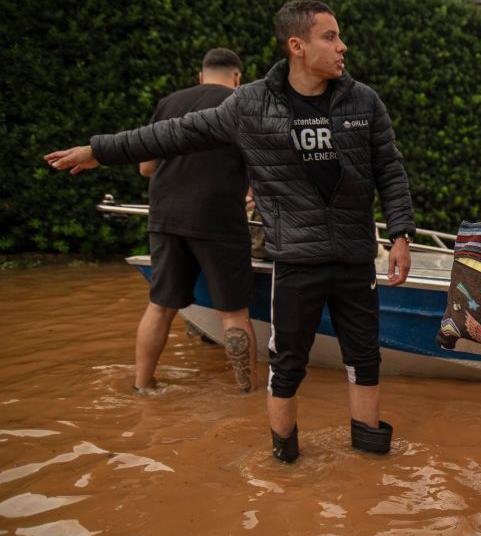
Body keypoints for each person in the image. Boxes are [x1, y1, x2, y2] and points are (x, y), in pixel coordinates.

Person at [44, 0, 416, 461]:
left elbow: (391, 171)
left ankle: (368, 465)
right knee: (287, 366)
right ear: (297, 46)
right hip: (296, 260)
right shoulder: (249, 104)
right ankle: (285, 467)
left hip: (356, 257)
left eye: (339, 37)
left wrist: (400, 233)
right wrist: (98, 150)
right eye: (330, 37)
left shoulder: (364, 102)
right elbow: (170, 134)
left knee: (365, 361)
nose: (343, 46)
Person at [127, 48, 257, 395]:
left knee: (160, 306)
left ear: (201, 76)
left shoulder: (169, 103)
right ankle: (246, 393)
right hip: (220, 219)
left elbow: (146, 167)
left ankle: (142, 387)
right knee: (233, 313)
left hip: (166, 216)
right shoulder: (244, 106)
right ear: (237, 78)